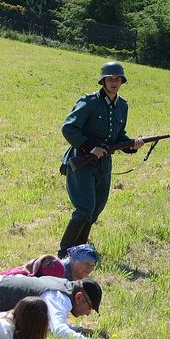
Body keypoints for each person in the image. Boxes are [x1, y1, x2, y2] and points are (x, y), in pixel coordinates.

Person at [58, 62, 144, 258]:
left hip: (104, 164)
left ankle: (78, 250)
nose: (114, 82)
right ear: (103, 81)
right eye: (110, 79)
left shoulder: (122, 106)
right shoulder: (88, 102)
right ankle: (63, 253)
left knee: (95, 210)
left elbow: (118, 136)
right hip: (82, 160)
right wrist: (90, 147)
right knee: (84, 208)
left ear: (122, 81)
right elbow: (68, 128)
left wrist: (132, 144)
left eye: (118, 79)